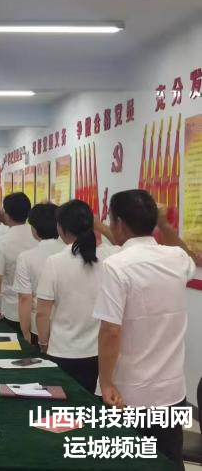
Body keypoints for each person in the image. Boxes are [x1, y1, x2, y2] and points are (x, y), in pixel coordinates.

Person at [94, 190, 196, 468]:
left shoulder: (116, 265)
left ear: (119, 223)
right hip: (172, 391)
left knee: (127, 459)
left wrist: (106, 382)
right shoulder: (175, 258)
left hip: (128, 392)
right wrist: (165, 226)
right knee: (169, 458)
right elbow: (187, 257)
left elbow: (111, 330)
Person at [35, 200, 118, 394]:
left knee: (64, 408)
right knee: (93, 407)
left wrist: (43, 343)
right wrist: (101, 227)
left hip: (63, 350)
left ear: (60, 228)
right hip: (100, 352)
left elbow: (42, 313)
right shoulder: (110, 256)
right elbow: (122, 244)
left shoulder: (55, 262)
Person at [13, 203, 63, 346]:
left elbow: (25, 298)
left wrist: (26, 331)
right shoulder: (70, 252)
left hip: (39, 327)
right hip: (70, 325)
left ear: (34, 229)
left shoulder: (26, 257)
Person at [0, 193, 37, 326]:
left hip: (13, 309)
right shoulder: (38, 236)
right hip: (40, 308)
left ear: (6, 214)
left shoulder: (1, 242)